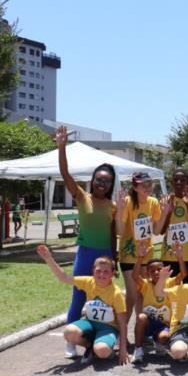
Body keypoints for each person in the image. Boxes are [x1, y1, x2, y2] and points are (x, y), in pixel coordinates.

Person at [55, 126, 118, 359]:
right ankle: (71, 342)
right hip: (85, 254)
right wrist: (61, 147)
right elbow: (65, 174)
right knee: (79, 296)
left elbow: (113, 234)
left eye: (107, 181)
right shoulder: (82, 196)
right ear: (93, 180)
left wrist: (115, 259)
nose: (103, 184)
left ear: (111, 184)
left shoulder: (112, 206)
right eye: (100, 179)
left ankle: (103, 336)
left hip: (105, 255)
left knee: (104, 298)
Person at [37, 245, 129, 365]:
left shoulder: (116, 294)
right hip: (90, 323)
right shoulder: (88, 282)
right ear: (93, 271)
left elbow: (123, 322)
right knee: (69, 332)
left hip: (109, 327)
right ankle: (90, 346)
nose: (101, 274)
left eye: (106, 271)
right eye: (98, 271)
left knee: (102, 351)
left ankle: (104, 347)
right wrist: (48, 258)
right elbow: (64, 277)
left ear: (112, 274)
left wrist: (123, 348)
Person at [116, 172, 165, 317]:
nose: (147, 187)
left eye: (149, 184)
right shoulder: (127, 202)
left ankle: (138, 332)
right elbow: (120, 231)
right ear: (135, 187)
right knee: (134, 295)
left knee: (140, 296)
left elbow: (156, 231)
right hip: (129, 256)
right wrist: (119, 209)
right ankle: (125, 333)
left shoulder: (153, 202)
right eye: (143, 184)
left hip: (146, 255)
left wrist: (164, 212)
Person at [131, 241, 187, 364]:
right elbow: (134, 276)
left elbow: (183, 274)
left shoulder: (170, 282)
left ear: (164, 270)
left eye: (159, 270)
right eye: (152, 270)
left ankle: (158, 342)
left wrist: (179, 257)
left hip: (163, 324)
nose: (156, 272)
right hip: (149, 323)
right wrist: (140, 257)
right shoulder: (146, 285)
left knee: (164, 337)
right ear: (147, 273)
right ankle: (138, 349)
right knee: (140, 317)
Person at [159, 168, 188, 283]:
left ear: (187, 182)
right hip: (169, 255)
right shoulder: (165, 201)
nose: (179, 182)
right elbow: (161, 231)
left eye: (182, 180)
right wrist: (168, 213)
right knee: (170, 292)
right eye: (176, 180)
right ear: (171, 182)